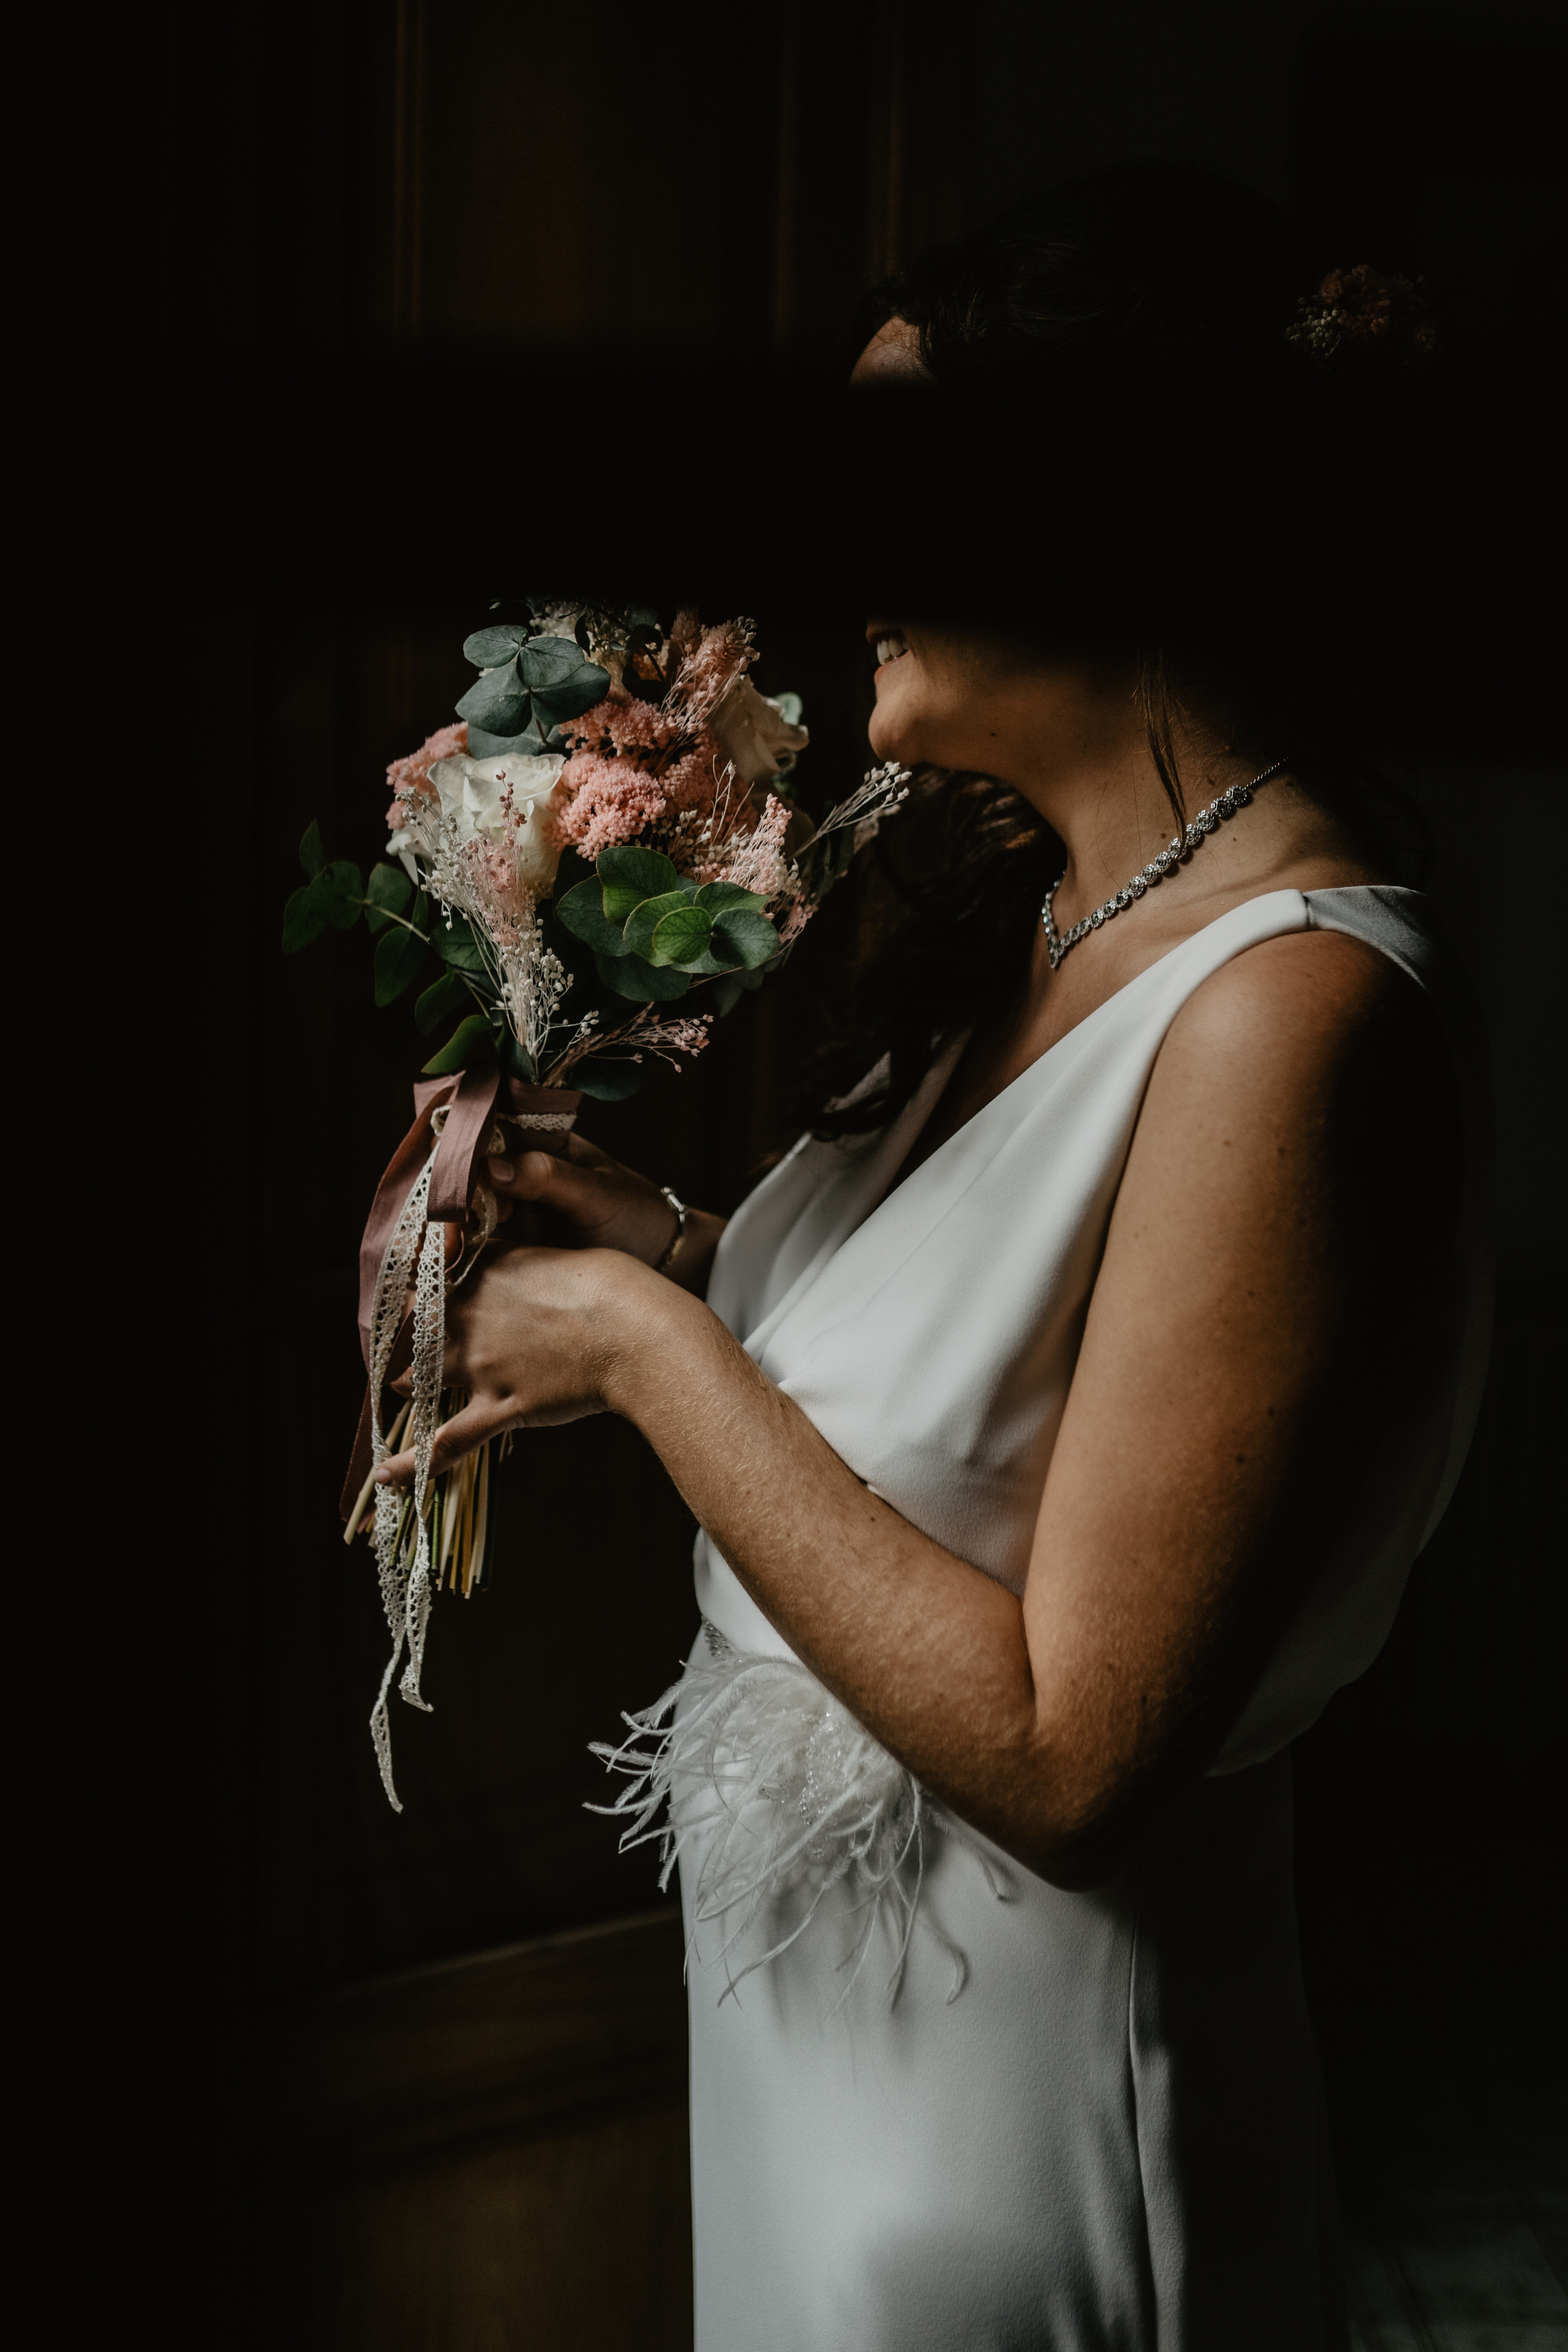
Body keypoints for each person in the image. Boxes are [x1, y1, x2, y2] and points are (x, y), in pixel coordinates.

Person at [376, 167, 1490, 2350]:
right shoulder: (1053, 921)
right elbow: (1017, 1397)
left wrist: (641, 1339)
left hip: (1023, 2140)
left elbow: (1078, 1753)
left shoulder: (1291, 1010)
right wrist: (683, 1241)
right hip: (822, 2105)